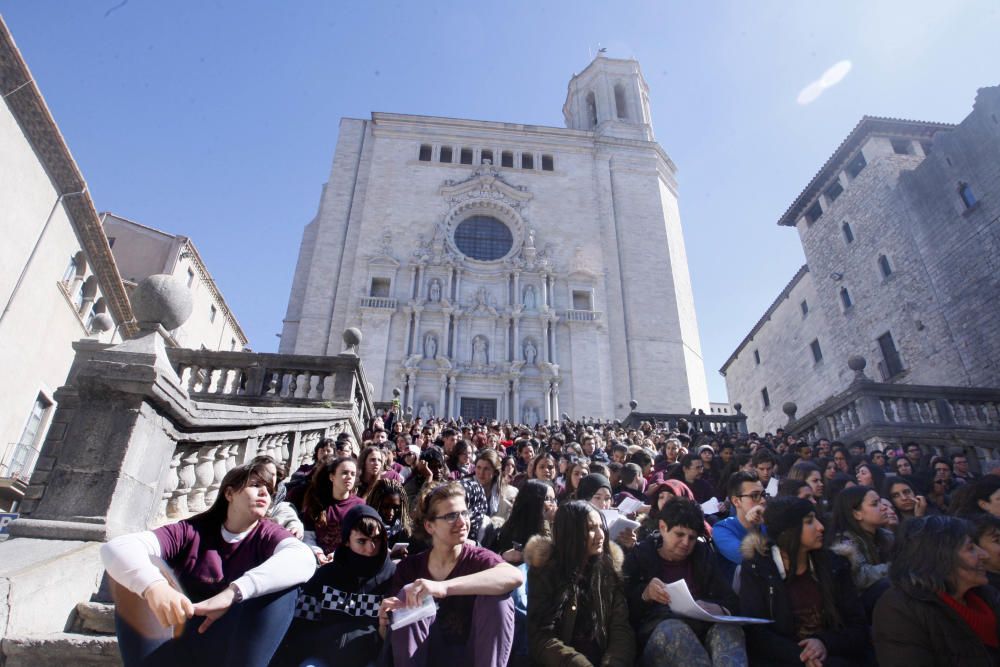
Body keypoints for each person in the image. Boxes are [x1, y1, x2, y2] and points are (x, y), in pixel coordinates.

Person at [101, 462, 316, 666]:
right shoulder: (192, 531)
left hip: (234, 644)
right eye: (255, 485)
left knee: (284, 589)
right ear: (229, 493)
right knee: (135, 576)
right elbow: (118, 547)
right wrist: (153, 586)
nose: (264, 494)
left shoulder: (268, 534)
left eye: (268, 490)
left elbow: (304, 558)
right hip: (178, 632)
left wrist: (233, 593)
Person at [380, 482, 522, 666]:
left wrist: (443, 587)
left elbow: (514, 576)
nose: (462, 522)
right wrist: (385, 624)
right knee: (410, 592)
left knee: (498, 600)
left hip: (473, 657)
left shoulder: (478, 558)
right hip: (424, 658)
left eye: (464, 513)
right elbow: (390, 638)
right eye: (451, 516)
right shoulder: (410, 568)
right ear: (430, 526)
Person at [739, 497, 870, 666]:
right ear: (789, 531)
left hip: (834, 658)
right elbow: (756, 632)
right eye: (809, 522)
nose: (820, 527)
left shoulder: (834, 566)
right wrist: (802, 657)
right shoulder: (758, 569)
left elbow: (858, 628)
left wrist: (824, 642)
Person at [624, 498, 746, 667]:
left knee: (728, 631)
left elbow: (730, 600)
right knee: (674, 631)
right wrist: (645, 594)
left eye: (692, 538)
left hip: (703, 628)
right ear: (663, 528)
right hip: (658, 635)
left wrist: (719, 609)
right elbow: (623, 613)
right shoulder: (640, 556)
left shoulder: (703, 555)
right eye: (679, 534)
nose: (686, 543)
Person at [275, 505, 395, 667]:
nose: (370, 549)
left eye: (376, 540)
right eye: (362, 541)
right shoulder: (326, 576)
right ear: (346, 541)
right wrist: (330, 643)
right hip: (324, 657)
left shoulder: (392, 577)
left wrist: (379, 636)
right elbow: (301, 626)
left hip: (372, 659)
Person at [872, 515, 1000, 666]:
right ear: (939, 559)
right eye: (970, 548)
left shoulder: (985, 594)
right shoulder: (900, 610)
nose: (984, 555)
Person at [525, 500, 636, 666]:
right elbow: (541, 637)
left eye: (600, 527)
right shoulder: (546, 572)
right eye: (591, 529)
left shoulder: (607, 570)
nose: (600, 535)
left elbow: (620, 627)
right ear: (571, 533)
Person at [828, 486, 893, 618]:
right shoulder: (844, 543)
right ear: (857, 514)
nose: (884, 507)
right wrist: (895, 568)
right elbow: (860, 577)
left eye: (881, 501)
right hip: (859, 609)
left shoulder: (886, 536)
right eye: (875, 504)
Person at [302, 456, 366, 563]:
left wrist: (338, 554)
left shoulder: (360, 506)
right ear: (332, 477)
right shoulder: (316, 503)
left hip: (347, 561)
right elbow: (308, 536)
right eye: (344, 473)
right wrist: (318, 553)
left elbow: (362, 540)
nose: (349, 477)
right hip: (316, 560)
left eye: (353, 474)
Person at [714, 471, 766, 584]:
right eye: (755, 496)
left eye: (763, 495)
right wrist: (754, 529)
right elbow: (747, 558)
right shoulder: (722, 529)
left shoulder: (766, 523)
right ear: (736, 501)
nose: (762, 500)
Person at [492, 479, 556, 564]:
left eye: (554, 499)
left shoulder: (555, 525)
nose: (553, 504)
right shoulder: (514, 528)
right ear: (533, 501)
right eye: (547, 499)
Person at [366, 477, 413, 552]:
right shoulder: (366, 529)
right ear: (376, 504)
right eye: (385, 507)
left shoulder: (406, 530)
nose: (391, 513)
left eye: (396, 507)